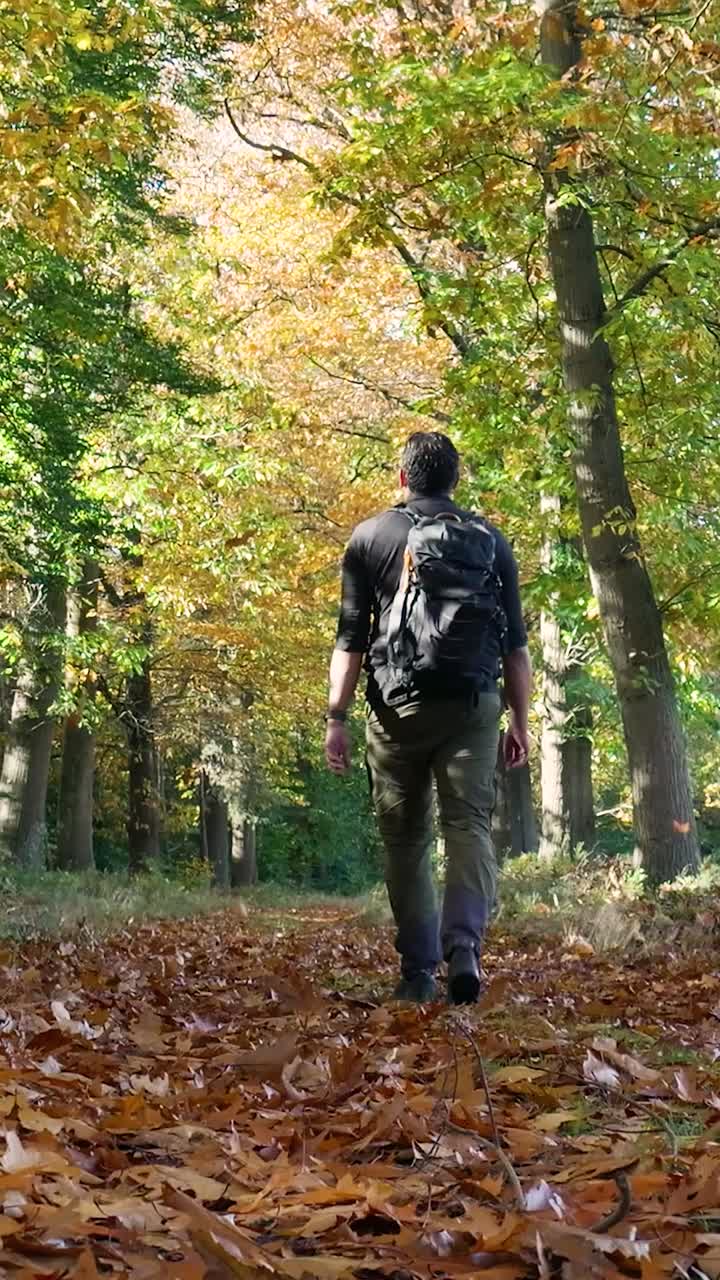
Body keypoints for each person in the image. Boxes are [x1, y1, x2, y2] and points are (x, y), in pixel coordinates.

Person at [324, 431, 531, 1005]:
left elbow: (351, 641)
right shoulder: (490, 540)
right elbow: (516, 646)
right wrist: (520, 720)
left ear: (402, 478)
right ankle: (463, 947)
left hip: (395, 710)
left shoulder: (369, 538)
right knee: (468, 826)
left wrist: (335, 717)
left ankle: (417, 972)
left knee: (406, 838)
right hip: (471, 706)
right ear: (455, 481)